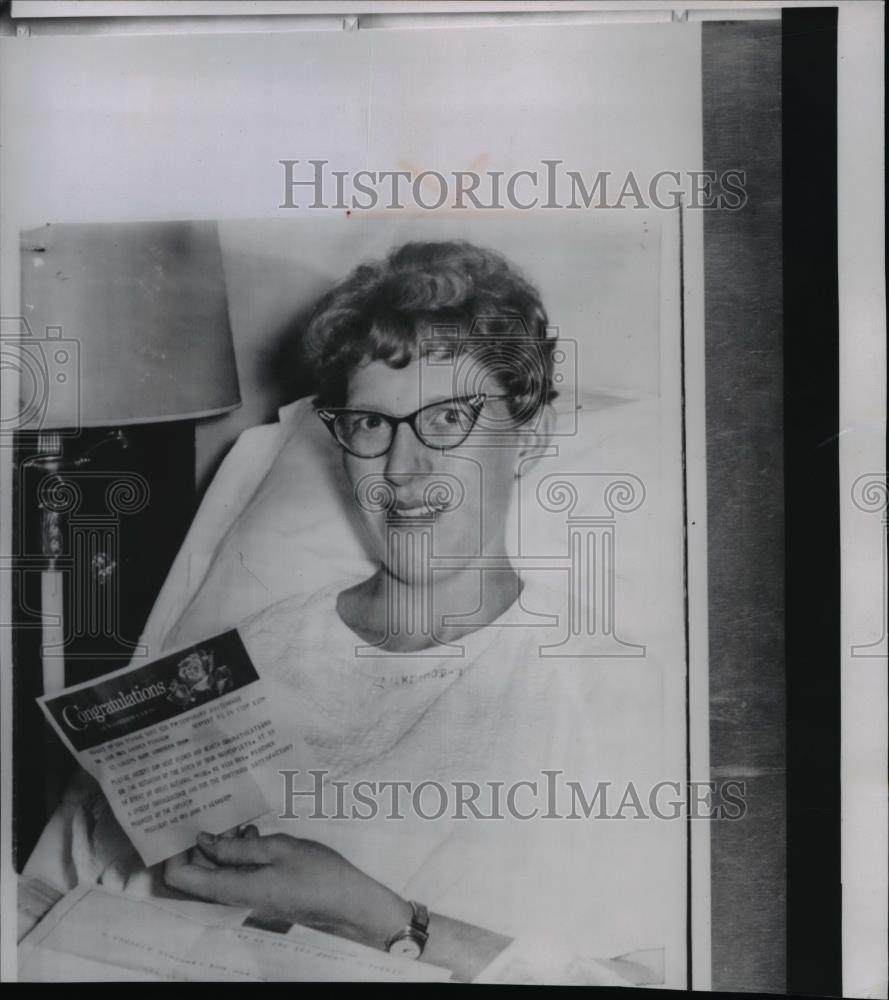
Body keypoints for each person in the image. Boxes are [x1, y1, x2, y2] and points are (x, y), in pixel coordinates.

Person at [25, 241, 668, 984]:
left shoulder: (604, 691)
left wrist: (378, 917)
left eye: (449, 418)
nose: (402, 468)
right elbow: (48, 899)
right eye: (369, 423)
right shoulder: (242, 657)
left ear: (531, 437)